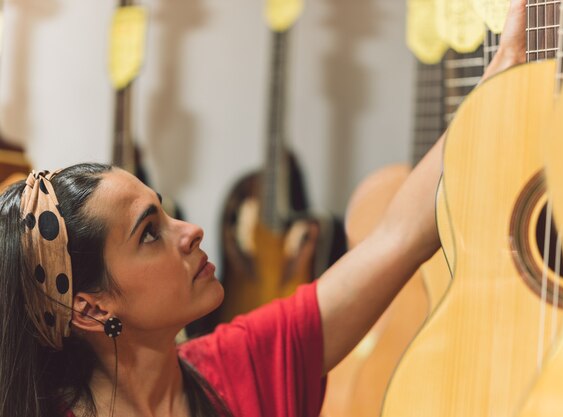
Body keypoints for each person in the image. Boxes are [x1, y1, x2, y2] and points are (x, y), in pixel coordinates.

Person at [0, 1, 527, 416]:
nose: (191, 230)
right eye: (149, 233)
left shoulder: (240, 368)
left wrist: (499, 77)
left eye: (163, 211)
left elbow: (397, 236)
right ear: (92, 308)